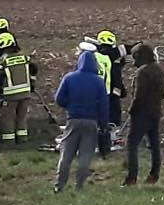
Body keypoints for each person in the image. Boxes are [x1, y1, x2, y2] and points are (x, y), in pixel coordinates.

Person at [53, 51, 109, 193]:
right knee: (85, 155)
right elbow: (103, 105)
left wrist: (70, 106)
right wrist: (103, 124)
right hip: (91, 122)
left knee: (66, 155)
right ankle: (79, 186)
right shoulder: (98, 81)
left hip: (73, 120)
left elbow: (59, 99)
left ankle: (59, 186)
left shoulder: (69, 78)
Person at [123, 44, 164, 186]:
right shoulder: (160, 70)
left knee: (131, 144)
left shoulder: (142, 72)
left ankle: (131, 177)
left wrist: (132, 109)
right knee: (154, 145)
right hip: (155, 112)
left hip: (141, 113)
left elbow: (139, 95)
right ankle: (154, 175)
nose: (134, 61)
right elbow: (163, 93)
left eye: (135, 57)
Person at [0, 33, 38, 143]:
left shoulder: (2, 60)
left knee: (8, 118)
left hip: (10, 94)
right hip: (25, 93)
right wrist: (32, 82)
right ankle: (22, 139)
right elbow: (34, 68)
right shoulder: (24, 57)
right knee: (22, 117)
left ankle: (9, 141)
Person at [95, 30, 139, 126]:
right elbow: (127, 49)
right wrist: (138, 45)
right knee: (113, 119)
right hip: (114, 92)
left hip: (99, 91)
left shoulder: (95, 55)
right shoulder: (115, 53)